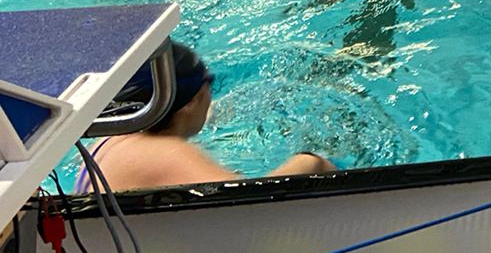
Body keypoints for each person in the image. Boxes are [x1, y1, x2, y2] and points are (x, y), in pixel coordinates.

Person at [76, 41, 336, 191]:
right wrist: (310, 162)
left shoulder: (110, 140)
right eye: (208, 86)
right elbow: (246, 199)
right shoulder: (163, 153)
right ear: (194, 100)